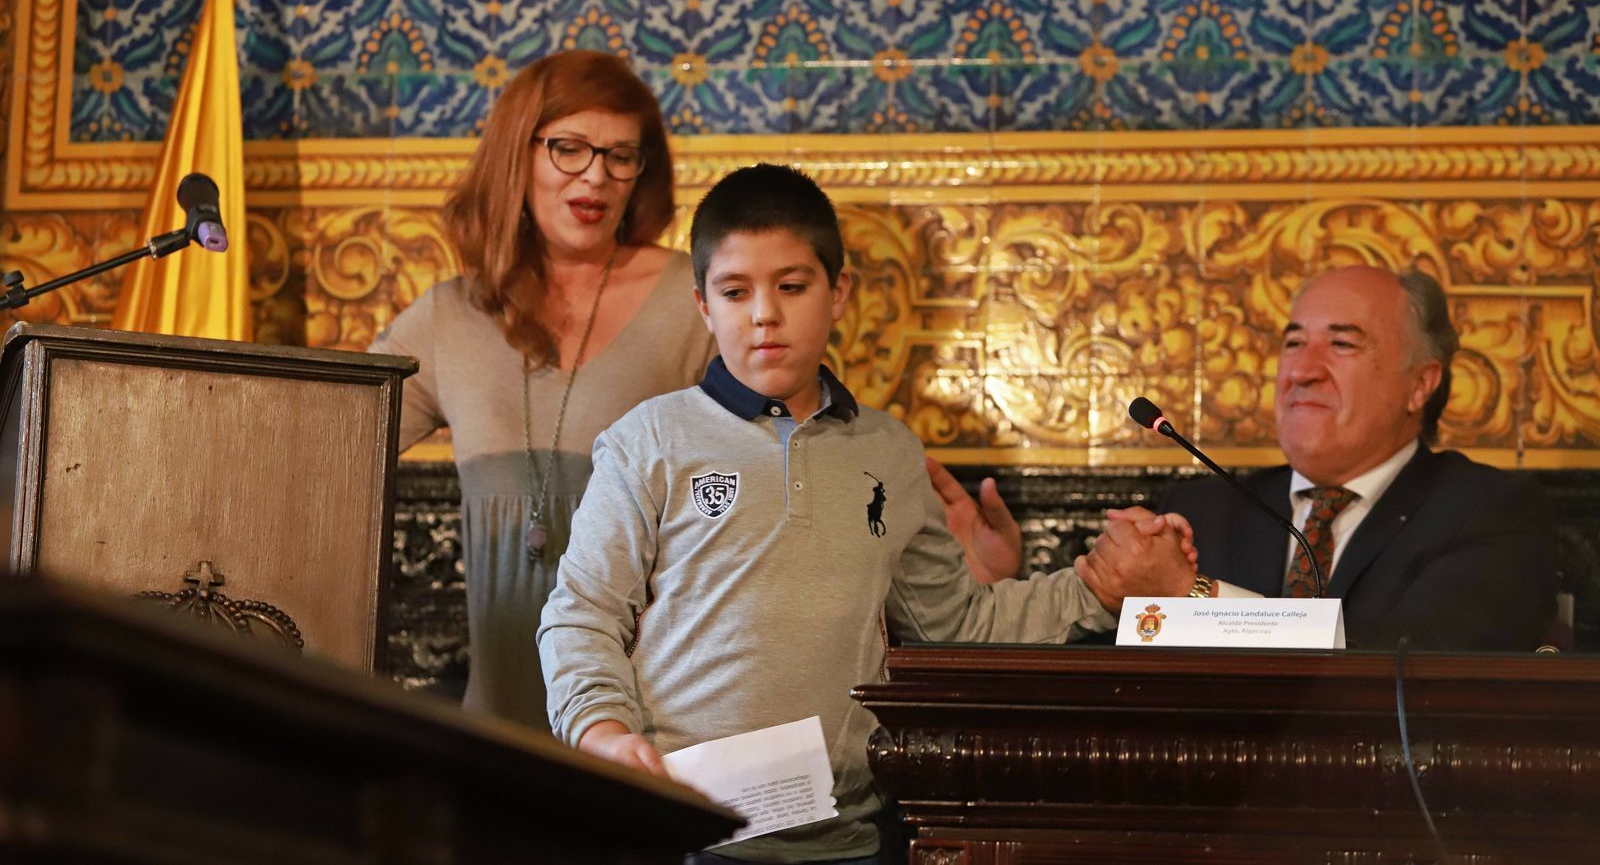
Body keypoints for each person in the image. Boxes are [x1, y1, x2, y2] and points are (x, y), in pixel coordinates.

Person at [537, 164, 1187, 864]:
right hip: (682, 831)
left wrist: (1097, 589)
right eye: (735, 291)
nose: (764, 314)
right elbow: (583, 614)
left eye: (792, 286)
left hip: (846, 840)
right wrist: (601, 730)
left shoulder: (890, 451)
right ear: (702, 305)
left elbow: (957, 624)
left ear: (837, 291)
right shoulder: (649, 440)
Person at [930, 266, 1559, 651]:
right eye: (1292, 344)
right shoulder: (1206, 508)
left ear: (1420, 383)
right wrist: (996, 599)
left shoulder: (1491, 512)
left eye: (1341, 345)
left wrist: (1192, 595)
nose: (1303, 371)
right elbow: (1107, 674)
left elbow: (1415, 658)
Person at [371, 50, 715, 727]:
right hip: (501, 728)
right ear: (516, 156)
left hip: (655, 730)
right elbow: (325, 440)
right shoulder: (449, 316)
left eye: (622, 155)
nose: (597, 175)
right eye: (569, 148)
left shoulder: (696, 299)